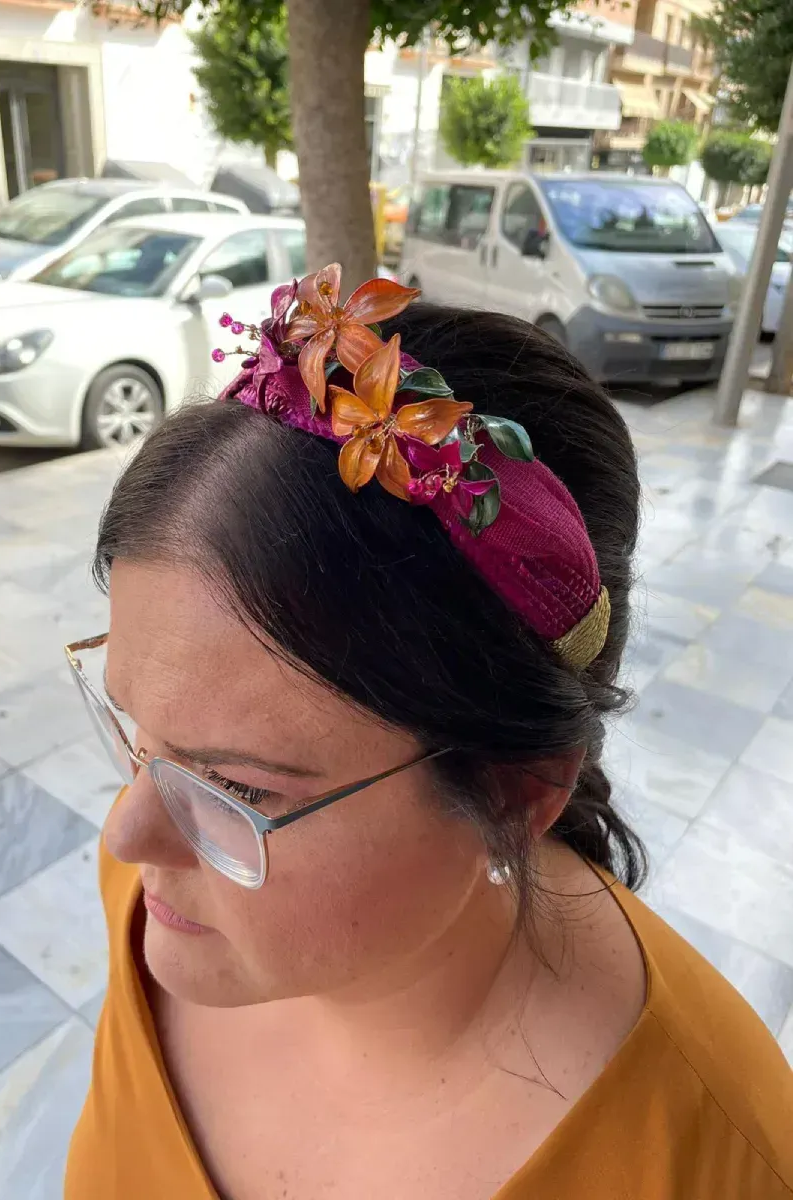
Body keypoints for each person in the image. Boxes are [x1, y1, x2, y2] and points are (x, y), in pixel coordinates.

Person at [64, 266, 793, 1200]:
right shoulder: (151, 902)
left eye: (237, 789)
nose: (126, 835)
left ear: (514, 790)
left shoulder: (708, 1159)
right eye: (136, 733)